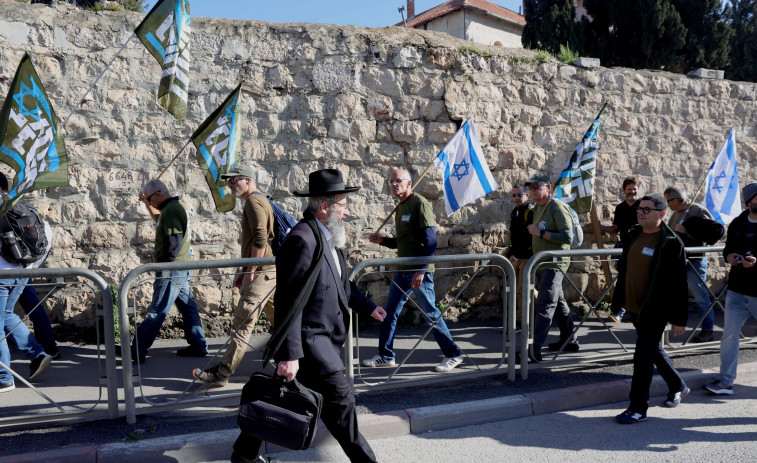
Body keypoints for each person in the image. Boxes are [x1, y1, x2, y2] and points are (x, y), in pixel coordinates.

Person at [231, 169, 387, 463]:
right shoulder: (302, 239)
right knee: (344, 414)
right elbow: (288, 299)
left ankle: (242, 456)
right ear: (325, 207)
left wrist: (367, 306)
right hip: (313, 348)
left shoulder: (328, 238)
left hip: (321, 346)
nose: (348, 211)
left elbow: (342, 282)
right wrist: (290, 355)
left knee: (279, 402)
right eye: (343, 204)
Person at [361, 168, 464, 373]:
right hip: (403, 270)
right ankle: (386, 355)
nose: (393, 184)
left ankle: (454, 354)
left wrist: (422, 270)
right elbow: (403, 243)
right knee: (390, 314)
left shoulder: (419, 203)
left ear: (409, 183)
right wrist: (382, 241)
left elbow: (431, 242)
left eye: (398, 180)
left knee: (431, 314)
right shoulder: (401, 207)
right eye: (391, 181)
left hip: (418, 272)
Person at [193, 165, 276, 386]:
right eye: (228, 181)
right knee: (281, 322)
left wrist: (250, 269)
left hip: (261, 273)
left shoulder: (253, 202)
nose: (229, 185)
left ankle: (222, 374)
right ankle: (297, 366)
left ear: (248, 180)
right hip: (269, 272)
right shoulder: (260, 200)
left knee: (243, 322)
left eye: (234, 180)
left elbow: (260, 237)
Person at [612, 194, 689, 424]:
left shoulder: (671, 242)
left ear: (661, 214)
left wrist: (679, 318)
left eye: (646, 209)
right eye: (639, 209)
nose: (640, 212)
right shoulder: (633, 234)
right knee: (652, 349)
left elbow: (679, 284)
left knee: (642, 357)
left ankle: (638, 408)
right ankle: (678, 385)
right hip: (634, 306)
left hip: (655, 309)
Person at [125, 179, 208, 364]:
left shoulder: (171, 211)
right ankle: (198, 345)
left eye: (149, 198)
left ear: (159, 195)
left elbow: (175, 242)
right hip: (180, 268)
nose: (149, 202)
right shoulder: (171, 208)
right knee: (188, 308)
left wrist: (165, 268)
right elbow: (158, 219)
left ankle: (137, 350)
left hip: (171, 269)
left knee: (157, 310)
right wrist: (147, 203)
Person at [0, 173, 53, 392]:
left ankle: (4, 377)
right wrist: (29, 267)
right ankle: (37, 353)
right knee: (7, 315)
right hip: (22, 271)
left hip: (2, 276)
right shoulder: (21, 207)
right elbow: (46, 236)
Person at [704, 182, 757, 396]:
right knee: (729, 336)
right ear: (749, 200)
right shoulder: (738, 223)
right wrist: (731, 257)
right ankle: (726, 382)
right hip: (737, 291)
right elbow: (728, 249)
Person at [524, 172, 578, 362]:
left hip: (555, 263)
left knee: (545, 304)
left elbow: (567, 237)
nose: (533, 190)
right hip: (543, 263)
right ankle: (569, 340)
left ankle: (534, 349)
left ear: (548, 187)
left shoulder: (558, 206)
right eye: (530, 187)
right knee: (558, 302)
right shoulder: (537, 208)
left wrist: (541, 233)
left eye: (537, 187)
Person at [664, 186, 715, 343]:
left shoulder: (698, 211)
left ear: (677, 200)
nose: (668, 205)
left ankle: (708, 330)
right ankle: (669, 326)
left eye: (668, 201)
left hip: (695, 260)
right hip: (679, 260)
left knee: (699, 297)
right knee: (673, 293)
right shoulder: (675, 215)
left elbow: (711, 232)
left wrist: (687, 230)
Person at [600, 177, 640, 323]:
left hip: (642, 249)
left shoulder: (644, 205)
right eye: (629, 189)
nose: (632, 192)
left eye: (635, 189)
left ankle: (635, 311)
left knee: (639, 281)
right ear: (624, 191)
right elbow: (615, 229)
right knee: (623, 279)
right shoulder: (621, 208)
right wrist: (600, 227)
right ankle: (619, 311)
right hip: (626, 249)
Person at [509, 184, 534, 327]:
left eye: (519, 195)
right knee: (516, 289)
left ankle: (522, 322)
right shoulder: (515, 212)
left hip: (527, 256)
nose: (516, 198)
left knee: (522, 291)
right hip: (516, 256)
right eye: (514, 195)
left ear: (526, 195)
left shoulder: (530, 211)